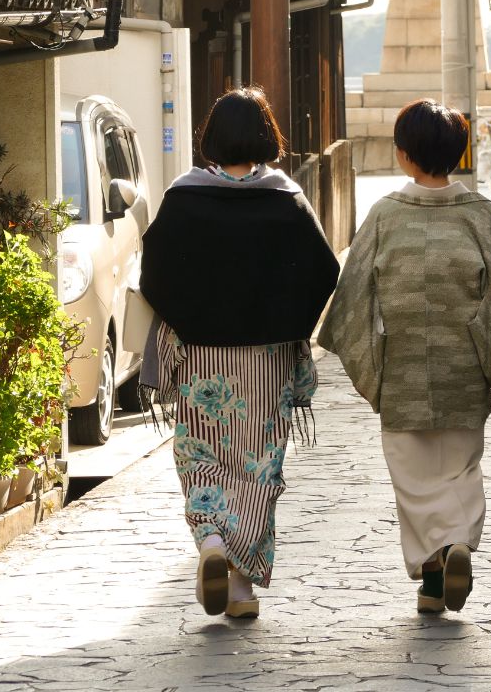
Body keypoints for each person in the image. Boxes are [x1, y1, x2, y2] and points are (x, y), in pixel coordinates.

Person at [318, 98, 491, 614]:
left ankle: (434, 567)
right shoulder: (480, 217)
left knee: (414, 479)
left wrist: (367, 362)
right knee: (460, 469)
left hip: (401, 370)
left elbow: (352, 299)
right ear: (458, 153)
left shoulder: (384, 216)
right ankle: (454, 551)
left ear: (402, 155)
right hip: (464, 370)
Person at [139, 86, 339, 619]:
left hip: (202, 359)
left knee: (201, 458)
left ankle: (210, 543)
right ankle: (243, 587)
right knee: (258, 465)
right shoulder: (285, 198)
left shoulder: (184, 197)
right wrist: (285, 318)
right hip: (265, 361)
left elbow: (154, 271)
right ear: (264, 137)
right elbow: (323, 270)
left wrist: (191, 317)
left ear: (212, 138)